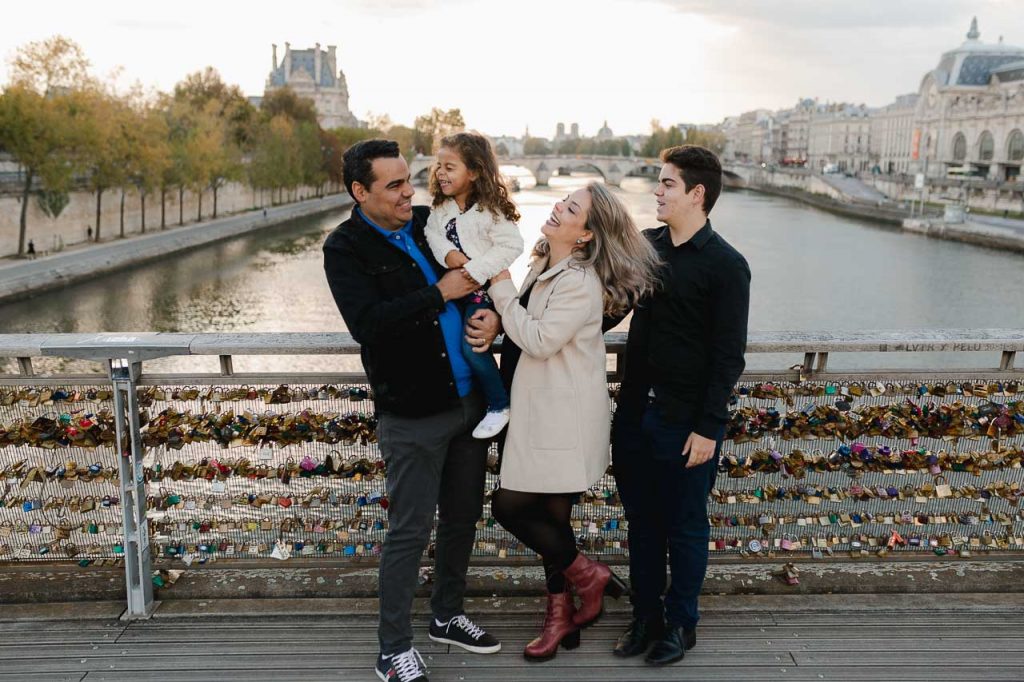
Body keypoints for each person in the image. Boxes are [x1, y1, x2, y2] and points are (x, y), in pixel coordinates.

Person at [322, 139, 502, 682]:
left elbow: (483, 272)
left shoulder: (429, 222)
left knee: (464, 517)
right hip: (414, 411)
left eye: (409, 179)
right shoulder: (345, 248)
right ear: (361, 192)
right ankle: (392, 648)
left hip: (470, 401)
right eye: (395, 185)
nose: (410, 192)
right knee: (410, 529)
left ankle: (446, 615)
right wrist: (440, 294)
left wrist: (489, 314)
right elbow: (369, 325)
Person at [487, 182, 662, 661]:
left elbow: (539, 340)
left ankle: (588, 577)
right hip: (537, 410)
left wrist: (500, 291)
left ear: (585, 235)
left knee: (510, 506)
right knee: (549, 519)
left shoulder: (580, 282)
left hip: (561, 417)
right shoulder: (546, 261)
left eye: (571, 209)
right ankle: (564, 609)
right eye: (563, 202)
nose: (558, 208)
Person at [611, 145, 750, 666]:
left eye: (667, 183)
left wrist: (709, 429)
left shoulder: (727, 266)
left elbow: (727, 357)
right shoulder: (646, 247)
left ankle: (680, 625)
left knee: (686, 525)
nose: (656, 190)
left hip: (687, 423)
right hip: (635, 416)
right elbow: (605, 303)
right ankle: (645, 618)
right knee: (642, 523)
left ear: (697, 194)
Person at [425, 132, 524, 440]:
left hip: (482, 292)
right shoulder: (441, 209)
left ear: (475, 171)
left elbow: (512, 245)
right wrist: (449, 254)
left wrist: (474, 271)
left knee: (472, 347)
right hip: (456, 291)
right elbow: (432, 235)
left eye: (450, 167)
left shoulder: (489, 211)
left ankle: (499, 404)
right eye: (439, 165)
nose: (441, 172)